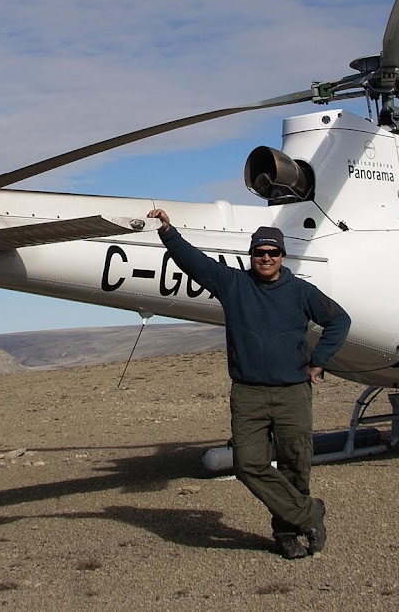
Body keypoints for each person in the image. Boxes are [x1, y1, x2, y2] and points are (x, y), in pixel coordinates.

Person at [147, 209, 351, 559]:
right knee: (248, 465)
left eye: (272, 253)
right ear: (251, 256)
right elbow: (195, 263)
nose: (266, 258)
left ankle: (286, 533)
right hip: (248, 393)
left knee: (295, 464)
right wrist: (168, 232)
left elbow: (339, 321)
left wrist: (319, 362)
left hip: (292, 394)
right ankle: (309, 513)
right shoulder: (235, 285)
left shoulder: (301, 292)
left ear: (282, 256)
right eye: (259, 253)